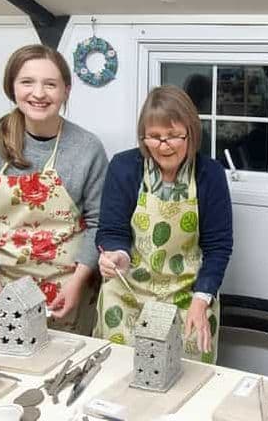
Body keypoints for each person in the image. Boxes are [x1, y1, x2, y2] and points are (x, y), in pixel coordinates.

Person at [0, 44, 108, 335]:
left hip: (65, 289)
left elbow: (100, 222)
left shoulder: (87, 148)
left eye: (50, 84)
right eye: (27, 82)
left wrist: (79, 282)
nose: (38, 93)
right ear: (12, 87)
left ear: (66, 90)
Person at [95, 85, 233, 363]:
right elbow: (111, 231)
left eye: (174, 136)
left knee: (185, 380)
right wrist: (116, 255)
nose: (164, 145)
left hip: (188, 295)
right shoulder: (124, 167)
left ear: (191, 133)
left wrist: (202, 298)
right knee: (118, 373)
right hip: (128, 293)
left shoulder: (210, 174)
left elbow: (218, 247)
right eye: (154, 137)